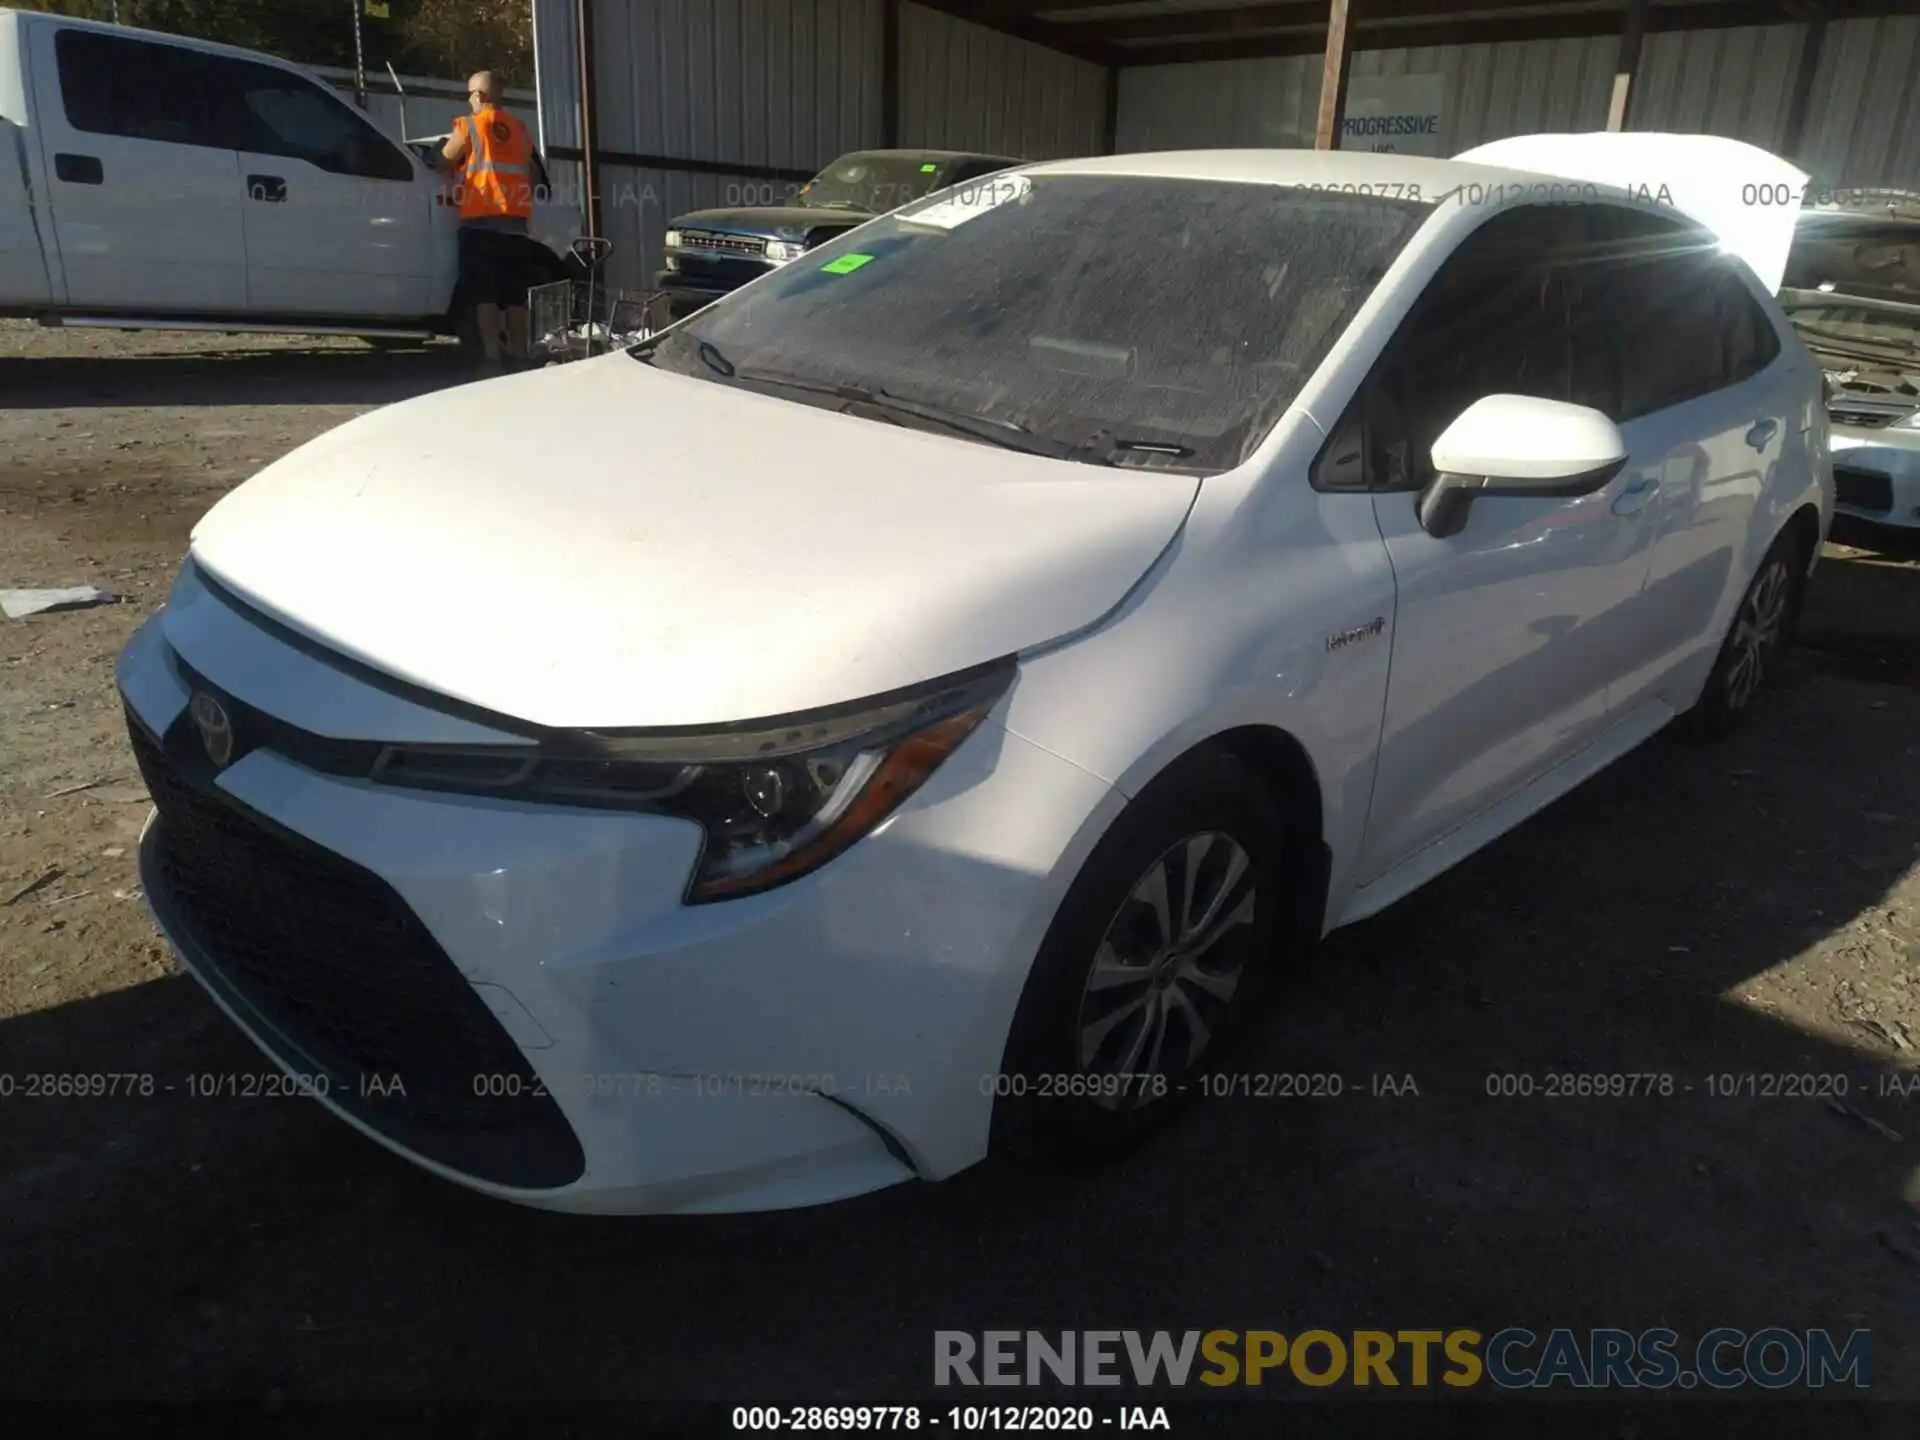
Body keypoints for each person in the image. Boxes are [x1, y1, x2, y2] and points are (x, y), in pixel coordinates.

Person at [443, 71, 540, 373]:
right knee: (515, 294)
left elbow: (445, 158)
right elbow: (532, 174)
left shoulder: (471, 125)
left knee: (485, 293)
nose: (469, 99)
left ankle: (492, 357)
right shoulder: (520, 129)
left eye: (470, 93)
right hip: (515, 225)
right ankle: (520, 355)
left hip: (481, 223)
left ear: (480, 96)